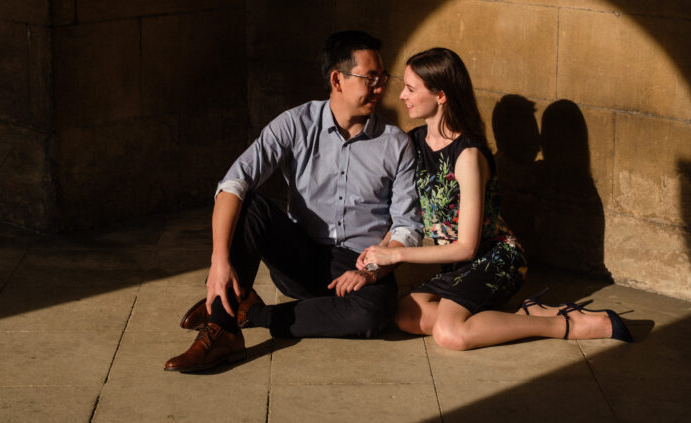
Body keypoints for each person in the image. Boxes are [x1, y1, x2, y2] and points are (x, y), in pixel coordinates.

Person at [165, 31, 423, 372]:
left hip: (359, 264)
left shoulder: (396, 144)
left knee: (375, 314)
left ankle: (253, 312)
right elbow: (233, 182)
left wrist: (372, 271)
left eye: (383, 79)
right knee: (251, 205)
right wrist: (219, 260)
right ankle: (222, 330)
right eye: (370, 79)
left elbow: (407, 226)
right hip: (300, 256)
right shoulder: (295, 123)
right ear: (337, 80)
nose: (380, 88)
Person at [359, 48, 632, 350]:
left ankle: (567, 324)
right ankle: (523, 313)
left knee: (450, 334)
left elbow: (466, 248)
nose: (402, 96)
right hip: (455, 266)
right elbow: (405, 213)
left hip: (496, 258)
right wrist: (378, 252)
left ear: (441, 95)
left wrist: (397, 256)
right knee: (407, 316)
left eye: (411, 89)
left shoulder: (468, 156)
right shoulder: (412, 142)